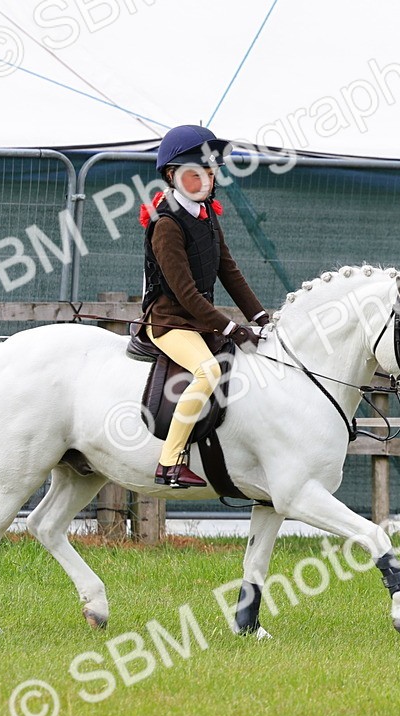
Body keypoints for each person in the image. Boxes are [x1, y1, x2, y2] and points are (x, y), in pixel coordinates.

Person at [140, 124, 269, 488]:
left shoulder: (206, 214)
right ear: (173, 176)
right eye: (197, 174)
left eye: (210, 172)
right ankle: (169, 462)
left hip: (198, 320)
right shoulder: (166, 225)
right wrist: (228, 327)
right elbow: (184, 294)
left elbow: (227, 269)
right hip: (170, 322)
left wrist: (259, 317)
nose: (208, 180)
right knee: (208, 371)